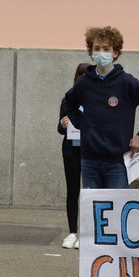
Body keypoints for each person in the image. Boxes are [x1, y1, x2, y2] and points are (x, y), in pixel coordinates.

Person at [62, 26, 139, 189]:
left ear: (115, 53)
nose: (101, 53)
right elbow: (68, 102)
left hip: (118, 163)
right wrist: (82, 124)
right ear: (91, 52)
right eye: (97, 48)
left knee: (117, 205)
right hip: (89, 161)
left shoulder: (127, 82)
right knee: (93, 205)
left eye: (106, 49)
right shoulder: (83, 82)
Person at [57, 63, 91, 249]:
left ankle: (86, 233)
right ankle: (72, 232)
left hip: (90, 151)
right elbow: (60, 128)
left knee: (88, 192)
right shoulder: (68, 99)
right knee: (73, 191)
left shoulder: (94, 99)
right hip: (71, 151)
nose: (82, 80)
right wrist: (63, 124)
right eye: (80, 76)